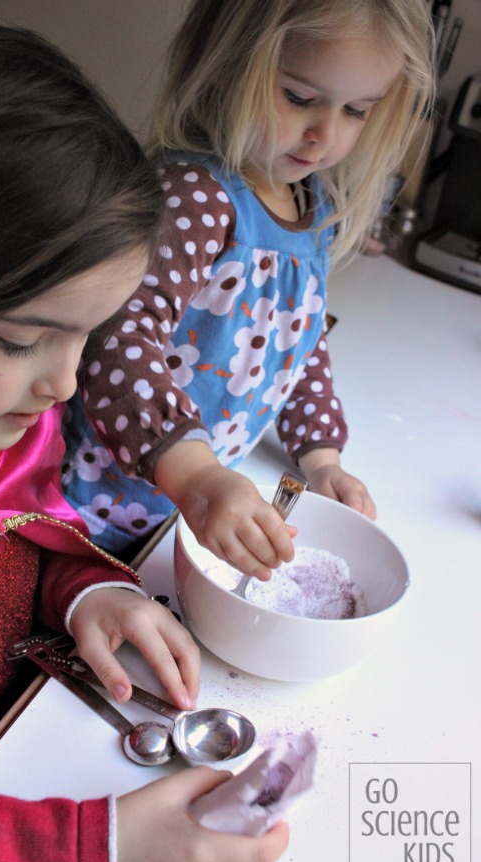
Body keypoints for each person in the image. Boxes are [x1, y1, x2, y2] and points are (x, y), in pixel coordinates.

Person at [0, 26, 288, 862]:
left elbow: (14, 538)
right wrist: (88, 859)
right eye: (23, 341)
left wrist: (83, 593)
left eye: (87, 337)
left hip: (20, 759)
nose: (65, 383)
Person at [63, 0, 435, 579]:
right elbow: (116, 340)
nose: (325, 134)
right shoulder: (196, 196)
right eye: (299, 97)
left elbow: (300, 340)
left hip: (200, 515)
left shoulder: (314, 208)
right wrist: (197, 475)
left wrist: (321, 457)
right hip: (110, 512)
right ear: (228, 66)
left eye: (357, 110)